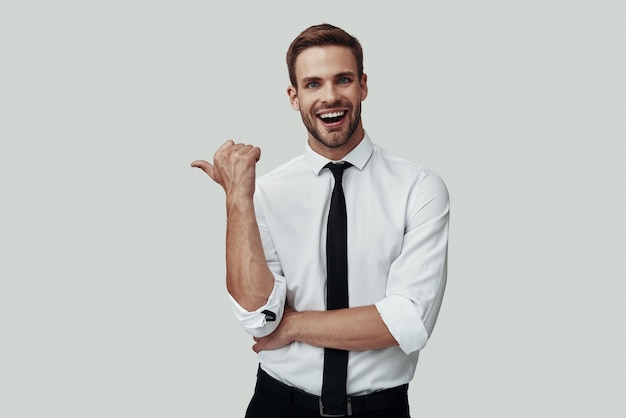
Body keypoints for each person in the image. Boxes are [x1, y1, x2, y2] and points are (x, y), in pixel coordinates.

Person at [192, 23, 449, 418]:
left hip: (379, 410)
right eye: (313, 84)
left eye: (342, 79)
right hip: (279, 406)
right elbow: (259, 317)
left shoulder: (419, 189)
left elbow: (406, 322)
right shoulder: (264, 193)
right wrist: (238, 198)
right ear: (294, 97)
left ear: (363, 86)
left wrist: (292, 326)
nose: (330, 97)